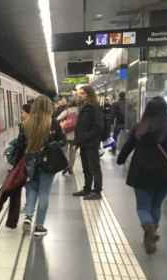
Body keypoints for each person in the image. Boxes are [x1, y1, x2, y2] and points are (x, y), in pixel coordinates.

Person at [116, 97, 167, 254]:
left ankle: (149, 231)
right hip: (165, 175)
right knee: (156, 206)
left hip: (141, 173)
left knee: (143, 207)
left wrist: (120, 159)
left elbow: (128, 147)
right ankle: (150, 237)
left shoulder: (139, 128)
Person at [17, 96, 65, 236]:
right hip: (47, 161)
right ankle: (39, 227)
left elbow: (21, 145)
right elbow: (62, 141)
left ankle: (28, 217)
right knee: (44, 192)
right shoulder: (53, 123)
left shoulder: (25, 123)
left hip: (30, 161)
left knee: (31, 188)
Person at [73, 85, 104, 200]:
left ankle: (97, 191)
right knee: (86, 167)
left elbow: (98, 127)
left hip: (91, 143)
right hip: (84, 144)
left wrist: (86, 137)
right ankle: (87, 189)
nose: (79, 95)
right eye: (79, 93)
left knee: (94, 167)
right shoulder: (85, 107)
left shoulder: (94, 107)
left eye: (82, 93)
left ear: (88, 94)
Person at [58, 99, 79, 175]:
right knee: (73, 152)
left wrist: (63, 123)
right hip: (76, 135)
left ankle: (66, 164)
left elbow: (58, 118)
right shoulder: (79, 111)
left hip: (67, 134)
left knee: (65, 150)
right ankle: (70, 167)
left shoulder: (67, 110)